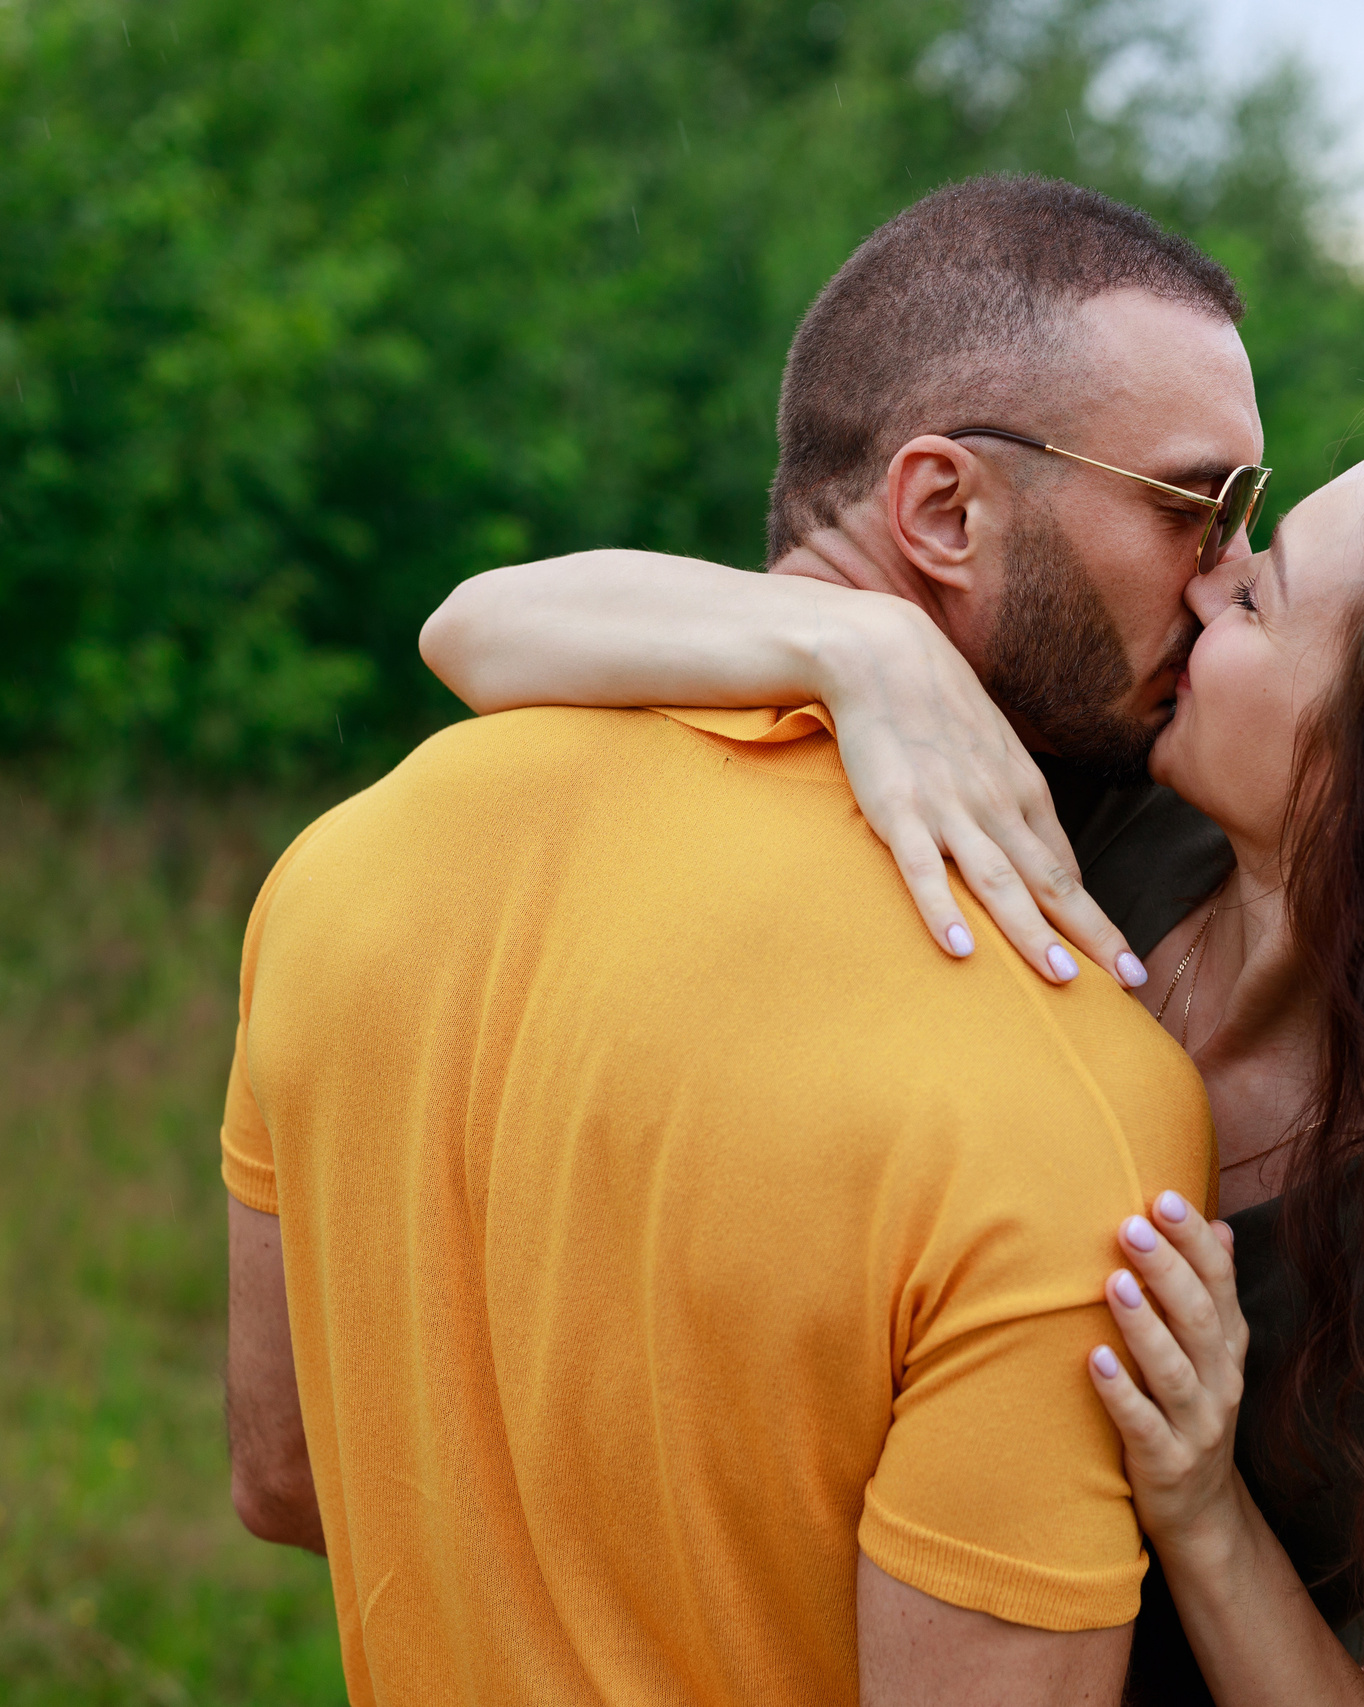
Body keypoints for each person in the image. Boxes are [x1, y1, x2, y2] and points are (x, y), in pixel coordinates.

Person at [422, 390, 1364, 1701]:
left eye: (1261, 597)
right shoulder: (1083, 805)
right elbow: (482, 626)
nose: (1203, 587)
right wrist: (864, 652)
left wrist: (1206, 1513)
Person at [221, 176, 1264, 1707]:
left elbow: (287, 1475)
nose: (1229, 570)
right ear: (942, 510)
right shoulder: (1075, 1087)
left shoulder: (342, 868)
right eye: (1194, 504)